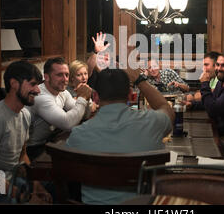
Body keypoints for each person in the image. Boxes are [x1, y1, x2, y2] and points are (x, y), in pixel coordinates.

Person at [66, 68, 175, 205]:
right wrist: (140, 81)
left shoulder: (78, 135)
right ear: (131, 95)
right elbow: (165, 107)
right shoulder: (152, 123)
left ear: (96, 97)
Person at [0, 60, 50, 202]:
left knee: (51, 186)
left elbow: (22, 156)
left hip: (11, 181)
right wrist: (20, 195)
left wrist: (36, 185)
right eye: (32, 84)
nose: (38, 90)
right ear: (14, 84)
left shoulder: (25, 114)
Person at [26, 57, 92, 161]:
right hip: (35, 149)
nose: (65, 79)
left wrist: (87, 98)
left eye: (66, 75)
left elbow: (83, 115)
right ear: (46, 77)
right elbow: (68, 123)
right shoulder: (41, 97)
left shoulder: (62, 92)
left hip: (52, 140)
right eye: (59, 75)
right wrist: (83, 98)